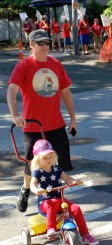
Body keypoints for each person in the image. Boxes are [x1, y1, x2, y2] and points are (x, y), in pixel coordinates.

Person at [7, 29, 77, 213]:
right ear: (31, 45)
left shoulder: (56, 64)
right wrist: (15, 115)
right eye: (40, 43)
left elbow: (66, 92)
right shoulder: (23, 66)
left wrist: (73, 119)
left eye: (47, 42)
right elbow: (11, 91)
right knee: (32, 163)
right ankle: (25, 189)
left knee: (59, 163)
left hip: (56, 124)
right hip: (32, 126)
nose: (45, 46)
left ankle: (56, 198)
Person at [29, 139, 99, 245]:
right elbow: (32, 184)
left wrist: (73, 181)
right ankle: (51, 229)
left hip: (60, 200)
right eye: (45, 158)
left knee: (76, 208)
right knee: (53, 203)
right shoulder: (37, 172)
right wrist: (36, 190)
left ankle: (85, 235)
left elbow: (67, 178)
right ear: (38, 159)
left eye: (51, 156)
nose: (49, 159)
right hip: (45, 202)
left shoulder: (57, 169)